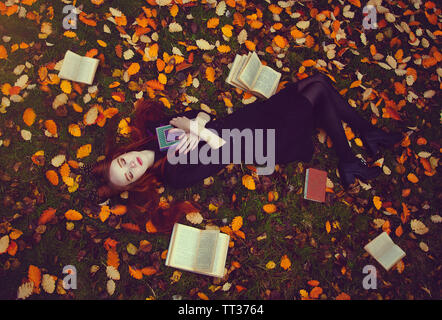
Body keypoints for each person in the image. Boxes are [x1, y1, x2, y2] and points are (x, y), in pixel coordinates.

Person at [80, 72, 403, 233]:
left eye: (123, 161)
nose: (131, 165)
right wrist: (197, 130)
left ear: (124, 153)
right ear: (136, 182)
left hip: (245, 121)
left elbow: (198, 113)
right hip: (258, 140)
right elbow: (223, 151)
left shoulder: (153, 138)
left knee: (317, 81)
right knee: (317, 90)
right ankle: (354, 154)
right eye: (128, 173)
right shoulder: (174, 173)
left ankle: (362, 143)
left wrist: (199, 122)